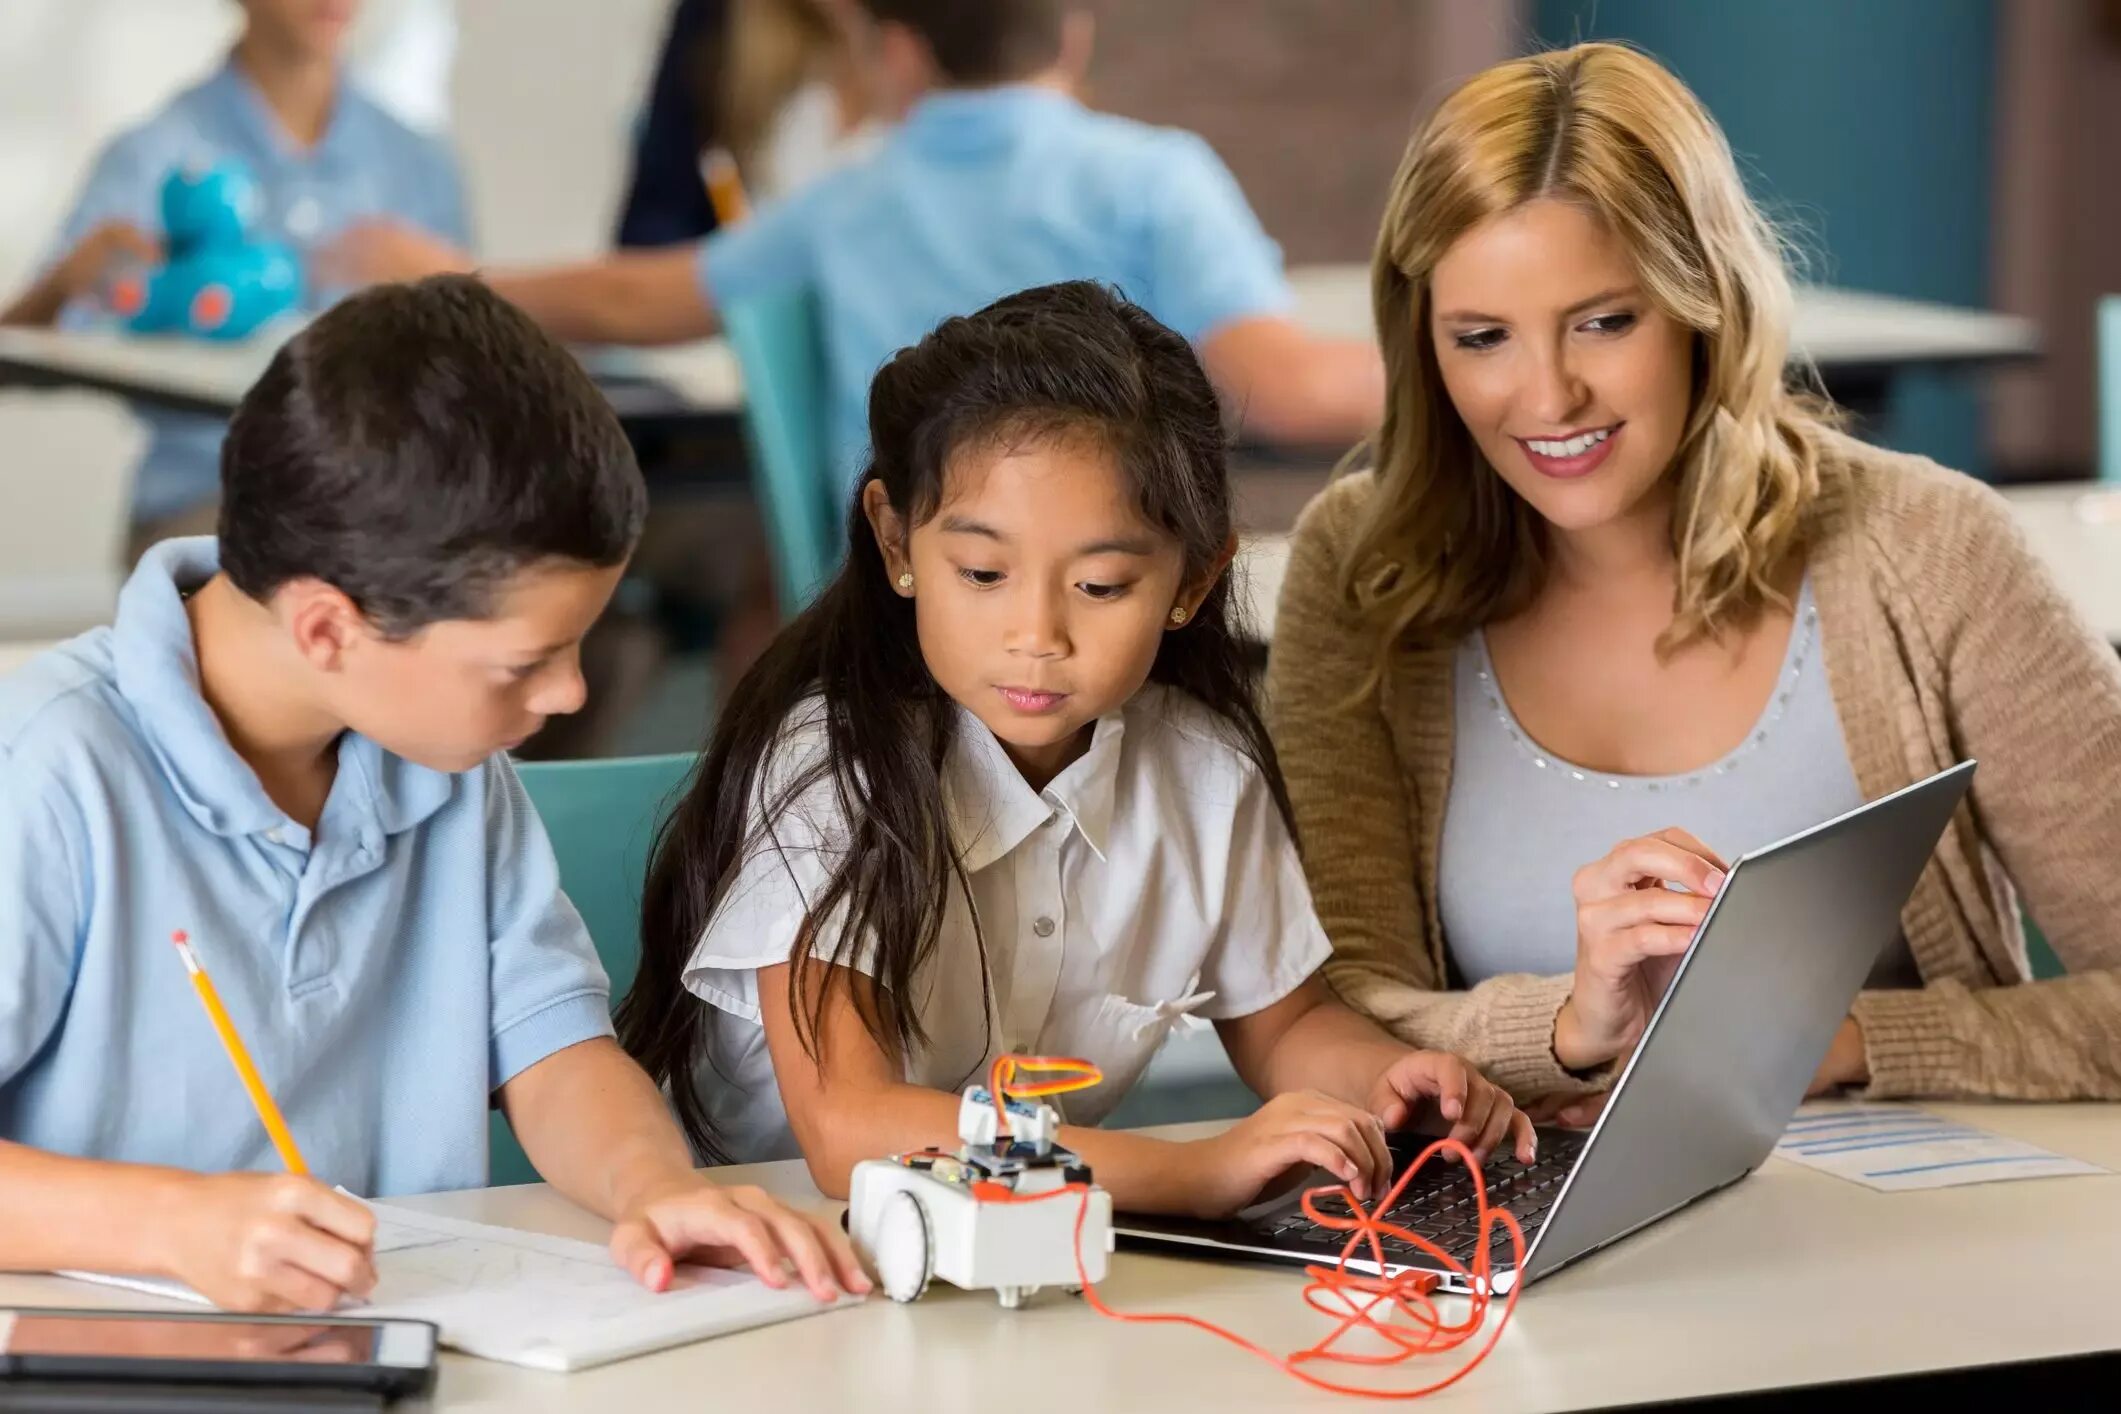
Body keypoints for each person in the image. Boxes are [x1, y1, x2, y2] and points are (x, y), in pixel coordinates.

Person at [1266, 42, 2121, 1119]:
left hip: (1903, 1240)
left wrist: (1843, 1041)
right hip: (1544, 1261)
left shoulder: (1930, 549)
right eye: (1482, 338)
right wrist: (1575, 1026)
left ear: (1704, 299)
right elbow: (1341, 1013)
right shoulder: (1363, 569)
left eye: (1605, 322)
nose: (1549, 396)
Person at [0, 276, 866, 1312]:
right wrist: (172, 1224)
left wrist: (656, 1185)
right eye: (522, 663)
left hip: (400, 1341)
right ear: (327, 628)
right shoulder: (48, 769)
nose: (572, 693)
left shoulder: (451, 771)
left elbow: (554, 1053)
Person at [616, 281, 1532, 1214]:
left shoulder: (1203, 769)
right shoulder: (837, 769)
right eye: (981, 573)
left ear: (1192, 579)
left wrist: (1389, 1080)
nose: (1036, 634)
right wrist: (1198, 1173)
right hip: (776, 1251)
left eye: (1099, 585)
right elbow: (847, 1128)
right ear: (896, 539)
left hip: (1032, 1251)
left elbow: (1287, 1022)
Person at [324, 0, 1383, 489]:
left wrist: (441, 274)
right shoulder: (1154, 174)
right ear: (1074, 31)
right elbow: (1284, 389)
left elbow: (632, 299)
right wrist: (1472, 355)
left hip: (880, 620)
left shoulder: (847, 201)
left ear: (898, 49)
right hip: (1101, 622)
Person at [0, 0, 471, 559]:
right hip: (213, 504)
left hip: (391, 511)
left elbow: (479, 382)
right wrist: (64, 283)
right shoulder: (155, 154)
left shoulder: (418, 164)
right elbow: (20, 358)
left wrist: (454, 285)